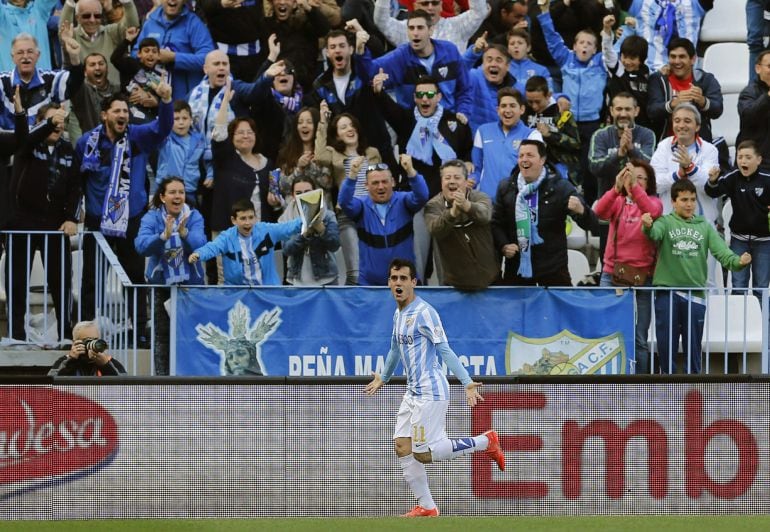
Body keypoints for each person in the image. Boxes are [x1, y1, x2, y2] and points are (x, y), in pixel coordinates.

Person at [363, 257, 504, 518]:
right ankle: (427, 507)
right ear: (388, 283)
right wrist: (383, 377)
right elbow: (395, 348)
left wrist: (467, 382)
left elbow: (444, 349)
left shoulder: (425, 312)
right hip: (412, 393)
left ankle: (485, 442)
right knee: (402, 447)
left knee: (424, 454)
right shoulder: (398, 313)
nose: (398, 283)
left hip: (431, 392)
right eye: (394, 278)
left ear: (414, 282)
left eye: (404, 278)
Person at [75, 83, 174, 346]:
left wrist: (165, 102)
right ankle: (84, 332)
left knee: (133, 275)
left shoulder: (137, 137)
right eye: (117, 110)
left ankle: (139, 330)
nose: (123, 115)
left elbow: (162, 128)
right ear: (104, 115)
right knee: (91, 278)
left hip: (131, 220)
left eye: (126, 111)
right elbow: (77, 181)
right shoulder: (86, 142)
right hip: (98, 222)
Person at [642, 179, 751, 374]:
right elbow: (654, 234)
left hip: (695, 294)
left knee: (694, 349)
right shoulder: (665, 222)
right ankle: (667, 386)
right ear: (673, 202)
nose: (689, 204)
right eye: (684, 199)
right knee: (667, 347)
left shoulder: (705, 226)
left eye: (692, 199)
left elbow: (722, 253)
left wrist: (738, 261)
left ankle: (694, 388)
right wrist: (648, 226)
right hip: (667, 293)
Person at [7, 100, 79, 344]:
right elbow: (24, 140)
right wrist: (48, 123)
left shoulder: (69, 149)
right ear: (41, 122)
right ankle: (16, 336)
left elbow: (75, 187)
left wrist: (71, 218)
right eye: (53, 120)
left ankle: (66, 336)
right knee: (16, 283)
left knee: (61, 283)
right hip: (22, 223)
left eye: (61, 120)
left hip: (55, 225)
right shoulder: (28, 144)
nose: (58, 125)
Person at [491, 139, 597, 286]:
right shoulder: (506, 187)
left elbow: (592, 224)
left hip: (553, 270)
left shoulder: (561, 187)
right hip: (517, 269)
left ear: (542, 160)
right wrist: (504, 245)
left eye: (529, 155)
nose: (524, 159)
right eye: (521, 156)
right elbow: (496, 223)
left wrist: (581, 211)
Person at [593, 160, 662, 374]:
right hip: (611, 273)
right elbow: (599, 211)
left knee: (639, 336)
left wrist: (634, 189)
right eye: (631, 176)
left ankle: (639, 383)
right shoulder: (618, 201)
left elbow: (651, 210)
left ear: (649, 182)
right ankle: (609, 379)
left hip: (643, 278)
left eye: (641, 177)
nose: (635, 181)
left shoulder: (654, 202)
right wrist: (615, 188)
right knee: (607, 330)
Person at [537, 0, 607, 205]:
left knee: (589, 167)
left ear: (595, 49)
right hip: (568, 123)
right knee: (565, 168)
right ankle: (567, 208)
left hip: (591, 124)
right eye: (581, 43)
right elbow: (551, 38)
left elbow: (613, 50)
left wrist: (617, 31)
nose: (585, 46)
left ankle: (592, 209)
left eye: (589, 44)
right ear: (574, 46)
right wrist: (543, 12)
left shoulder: (601, 62)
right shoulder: (566, 59)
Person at [135, 177, 206, 375]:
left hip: (191, 286)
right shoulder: (152, 217)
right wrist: (162, 237)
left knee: (194, 333)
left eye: (181, 192)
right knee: (162, 336)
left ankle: (193, 378)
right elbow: (141, 246)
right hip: (162, 286)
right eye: (173, 192)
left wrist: (184, 234)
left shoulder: (194, 216)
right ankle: (162, 380)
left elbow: (201, 244)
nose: (178, 196)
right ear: (162, 197)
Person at [358, 10, 473, 118]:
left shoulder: (450, 51)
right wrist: (360, 51)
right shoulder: (400, 58)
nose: (415, 33)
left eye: (420, 28)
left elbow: (465, 88)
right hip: (413, 126)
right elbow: (369, 74)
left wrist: (463, 112)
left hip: (447, 122)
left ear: (431, 30)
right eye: (411, 28)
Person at [314, 102, 382, 285]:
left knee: (373, 268)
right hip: (347, 213)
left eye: (351, 125)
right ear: (337, 134)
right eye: (343, 127)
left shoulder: (372, 153)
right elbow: (319, 155)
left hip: (371, 213)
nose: (349, 129)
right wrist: (323, 122)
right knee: (354, 271)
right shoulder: (334, 154)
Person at [338, 155, 429, 285]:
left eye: (384, 181)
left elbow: (422, 196)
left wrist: (410, 171)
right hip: (370, 284)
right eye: (375, 183)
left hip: (404, 282)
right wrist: (352, 175)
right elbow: (344, 202)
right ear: (366, 186)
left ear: (393, 182)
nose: (381, 187)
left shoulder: (404, 201)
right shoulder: (361, 205)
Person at [705, 140, 770, 298]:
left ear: (759, 160)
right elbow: (712, 192)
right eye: (740, 157)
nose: (743, 161)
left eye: (748, 157)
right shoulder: (733, 177)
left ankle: (761, 322)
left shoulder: (767, 178)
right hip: (738, 241)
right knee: (738, 285)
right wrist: (712, 181)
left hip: (764, 242)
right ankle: (739, 322)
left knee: (761, 287)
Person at [189, 198, 302, 285]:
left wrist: (310, 218)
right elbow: (212, 247)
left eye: (251, 217)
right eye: (243, 218)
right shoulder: (226, 237)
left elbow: (289, 227)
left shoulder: (267, 230)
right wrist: (198, 254)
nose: (248, 222)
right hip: (238, 295)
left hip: (268, 292)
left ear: (255, 217)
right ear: (234, 220)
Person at [424, 159, 498, 290]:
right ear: (442, 183)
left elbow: (485, 215)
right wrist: (452, 213)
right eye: (447, 178)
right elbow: (435, 229)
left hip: (490, 280)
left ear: (466, 182)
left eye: (457, 177)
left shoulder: (481, 197)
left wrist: (466, 206)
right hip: (453, 284)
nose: (452, 181)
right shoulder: (433, 205)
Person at [0, 33, 84, 130]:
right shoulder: (2, 81)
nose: (25, 56)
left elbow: (73, 83)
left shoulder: (50, 79)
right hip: (8, 142)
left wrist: (74, 57)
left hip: (41, 142)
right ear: (13, 57)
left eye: (30, 52)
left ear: (38, 55)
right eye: (20, 52)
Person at [647, 38, 723, 143]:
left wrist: (702, 101)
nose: (677, 61)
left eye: (682, 57)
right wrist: (673, 104)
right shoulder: (658, 79)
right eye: (673, 57)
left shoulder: (705, 79)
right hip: (666, 147)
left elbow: (718, 110)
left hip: (699, 147)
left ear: (693, 59)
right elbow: (652, 112)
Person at [134, 0, 214, 99]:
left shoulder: (194, 24)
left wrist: (175, 58)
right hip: (153, 97)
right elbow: (135, 54)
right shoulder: (150, 23)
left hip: (183, 101)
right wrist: (148, 56)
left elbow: (209, 60)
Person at [472, 87, 542, 199]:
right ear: (497, 110)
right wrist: (471, 180)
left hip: (518, 201)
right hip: (487, 202)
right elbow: (477, 168)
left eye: (512, 106)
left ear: (522, 109)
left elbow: (535, 171)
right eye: (503, 106)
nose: (507, 110)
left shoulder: (532, 135)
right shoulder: (483, 131)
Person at [58, 0, 139, 85]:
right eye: (86, 16)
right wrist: (70, 3)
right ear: (77, 18)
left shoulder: (111, 32)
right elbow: (64, 31)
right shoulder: (72, 35)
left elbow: (132, 28)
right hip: (82, 96)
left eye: (97, 16)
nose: (92, 20)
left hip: (113, 95)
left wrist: (127, 2)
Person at [278, 175, 341, 286]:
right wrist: (304, 235)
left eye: (308, 191)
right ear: (293, 195)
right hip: (297, 279)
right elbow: (286, 250)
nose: (304, 196)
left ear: (315, 193)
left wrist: (321, 230)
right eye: (298, 193)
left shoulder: (328, 215)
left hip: (326, 279)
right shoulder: (285, 219)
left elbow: (335, 245)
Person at [523, 75, 580, 184]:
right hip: (530, 167)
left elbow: (575, 143)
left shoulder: (561, 112)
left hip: (558, 168)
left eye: (538, 102)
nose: (534, 106)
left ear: (548, 95)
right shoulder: (524, 110)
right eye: (530, 102)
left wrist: (550, 135)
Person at [372, 0, 488, 52]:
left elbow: (479, 12)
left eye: (435, 3)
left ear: (441, 6)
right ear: (415, 6)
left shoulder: (456, 26)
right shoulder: (406, 29)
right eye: (425, 3)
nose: (430, 7)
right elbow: (381, 20)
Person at [601, 17, 652, 129]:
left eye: (632, 58)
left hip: (641, 127)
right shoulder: (618, 69)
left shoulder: (648, 73)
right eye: (624, 56)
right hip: (616, 126)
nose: (627, 62)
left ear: (641, 59)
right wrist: (607, 29)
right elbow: (608, 51)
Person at [155, 101, 206, 204]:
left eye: (185, 118)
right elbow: (158, 130)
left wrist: (210, 174)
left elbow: (206, 160)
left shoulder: (199, 140)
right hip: (167, 190)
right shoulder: (166, 139)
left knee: (189, 219)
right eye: (176, 119)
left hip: (189, 190)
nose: (181, 122)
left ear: (191, 119)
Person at [67, 52, 122, 142]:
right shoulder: (81, 91)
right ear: (85, 72)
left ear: (107, 68)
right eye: (92, 65)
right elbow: (74, 79)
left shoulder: (118, 89)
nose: (97, 67)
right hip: (93, 145)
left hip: (117, 143)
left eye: (101, 64)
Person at [48, 320, 127, 376]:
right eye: (87, 340)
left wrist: (105, 366)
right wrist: (71, 361)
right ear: (75, 342)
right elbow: (50, 385)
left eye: (95, 340)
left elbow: (125, 388)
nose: (93, 344)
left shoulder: (108, 361)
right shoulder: (65, 361)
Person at [737, 50, 770, 170]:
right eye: (769, 66)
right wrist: (768, 96)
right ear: (757, 68)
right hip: (757, 163)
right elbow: (748, 116)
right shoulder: (749, 92)